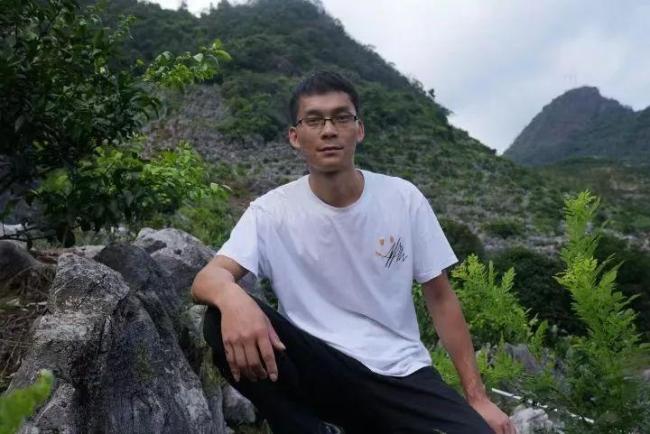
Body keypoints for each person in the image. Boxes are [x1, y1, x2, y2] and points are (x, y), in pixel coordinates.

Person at [192, 71, 516, 434]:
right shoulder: (271, 212)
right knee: (219, 318)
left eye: (341, 117)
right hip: (321, 368)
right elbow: (208, 278)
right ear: (295, 136)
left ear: (358, 129)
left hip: (402, 373)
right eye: (314, 120)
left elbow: (440, 297)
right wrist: (234, 300)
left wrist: (477, 398)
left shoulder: (402, 198)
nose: (329, 130)